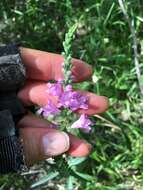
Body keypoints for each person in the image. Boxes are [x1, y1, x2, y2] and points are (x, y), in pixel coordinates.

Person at [1, 47, 109, 167]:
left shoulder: (66, 98)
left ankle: (62, 163)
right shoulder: (60, 96)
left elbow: (67, 101)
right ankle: (61, 164)